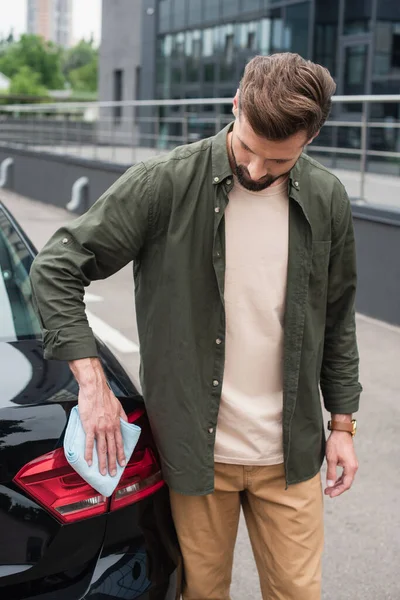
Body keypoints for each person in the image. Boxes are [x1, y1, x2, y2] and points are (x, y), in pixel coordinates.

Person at [30, 53, 362, 600]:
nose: (256, 171)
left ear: (311, 137)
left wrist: (343, 426)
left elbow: (339, 315)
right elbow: (58, 267)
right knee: (204, 592)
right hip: (194, 453)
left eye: (277, 161)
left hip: (292, 451)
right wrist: (92, 384)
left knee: (300, 593)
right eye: (248, 147)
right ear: (235, 104)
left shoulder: (326, 198)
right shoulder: (164, 184)